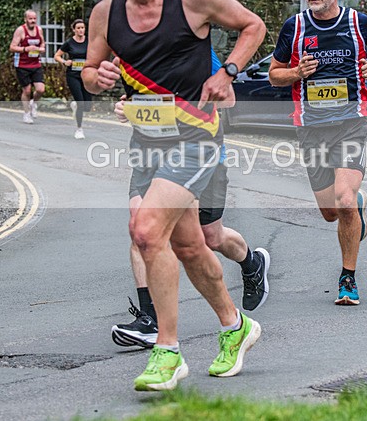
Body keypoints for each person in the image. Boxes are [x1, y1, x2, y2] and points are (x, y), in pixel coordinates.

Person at [82, 0, 266, 392]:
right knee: (187, 246)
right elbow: (89, 68)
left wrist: (226, 71)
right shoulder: (107, 12)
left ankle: (167, 351)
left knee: (144, 229)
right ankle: (235, 326)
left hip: (196, 137)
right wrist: (95, 79)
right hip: (148, 141)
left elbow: (253, 26)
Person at [111, 49, 271, 350]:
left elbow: (229, 99)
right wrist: (127, 107)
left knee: (210, 237)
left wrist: (177, 106)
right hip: (151, 155)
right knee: (140, 227)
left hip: (201, 155)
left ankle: (252, 263)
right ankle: (150, 319)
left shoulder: (194, 48)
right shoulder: (134, 50)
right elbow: (135, 99)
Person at [268, 0, 367, 306]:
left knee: (342, 200)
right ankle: (356, 206)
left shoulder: (358, 23)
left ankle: (348, 278)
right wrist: (297, 73)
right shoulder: (294, 27)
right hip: (311, 128)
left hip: (350, 123)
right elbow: (274, 74)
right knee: (332, 212)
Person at [54, 19, 93, 139]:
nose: (81, 30)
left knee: (87, 106)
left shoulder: (89, 41)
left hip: (86, 75)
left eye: (83, 28)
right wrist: (65, 62)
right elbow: (56, 56)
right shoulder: (69, 43)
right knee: (81, 102)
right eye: (79, 28)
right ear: (74, 30)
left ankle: (76, 106)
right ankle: (79, 129)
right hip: (73, 75)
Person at [9, 10, 46, 124]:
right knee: (27, 90)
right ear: (25, 19)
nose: (33, 21)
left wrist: (41, 49)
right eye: (30, 19)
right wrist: (26, 49)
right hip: (22, 64)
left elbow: (43, 44)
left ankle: (33, 103)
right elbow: (12, 47)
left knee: (40, 89)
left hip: (35, 63)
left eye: (34, 18)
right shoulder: (20, 30)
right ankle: (26, 114)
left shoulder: (39, 29)